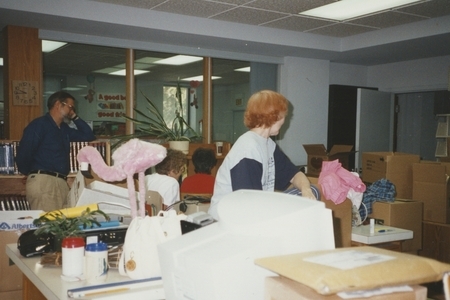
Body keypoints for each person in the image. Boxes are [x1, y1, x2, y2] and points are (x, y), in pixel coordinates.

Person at [208, 90, 317, 220]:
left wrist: (306, 190)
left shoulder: (268, 144)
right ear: (273, 117)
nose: (284, 119)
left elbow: (295, 175)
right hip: (231, 218)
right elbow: (248, 204)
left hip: (254, 209)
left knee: (313, 191)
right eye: (283, 115)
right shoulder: (248, 149)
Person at [16, 91, 96, 212]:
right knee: (48, 227)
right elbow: (24, 154)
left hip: (60, 182)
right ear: (58, 104)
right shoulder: (39, 125)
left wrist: (74, 116)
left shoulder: (63, 129)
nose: (72, 110)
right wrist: (33, 174)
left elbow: (88, 135)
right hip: (44, 182)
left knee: (61, 227)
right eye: (70, 107)